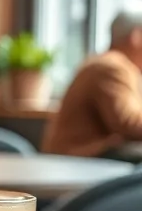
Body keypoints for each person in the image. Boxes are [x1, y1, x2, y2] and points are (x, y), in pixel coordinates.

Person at [44, 10, 142, 157]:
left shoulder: (104, 64)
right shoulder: (112, 68)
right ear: (136, 36)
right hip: (78, 161)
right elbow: (128, 124)